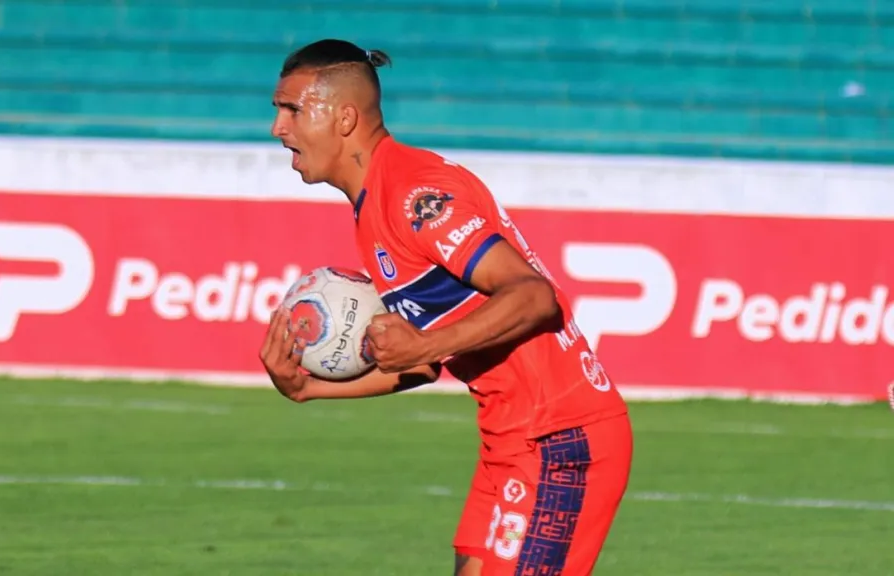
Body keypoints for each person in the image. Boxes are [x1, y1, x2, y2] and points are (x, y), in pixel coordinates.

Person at [259, 38, 633, 576]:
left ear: (344, 118)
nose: (279, 128)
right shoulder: (373, 208)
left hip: (559, 438)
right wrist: (308, 388)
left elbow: (534, 296)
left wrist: (425, 341)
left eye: (291, 109)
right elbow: (421, 365)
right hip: (509, 437)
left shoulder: (413, 195)